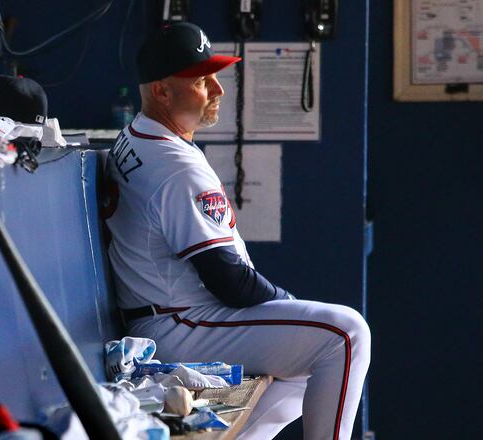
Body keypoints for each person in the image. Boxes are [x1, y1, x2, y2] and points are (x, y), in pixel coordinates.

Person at [103, 22, 370, 440]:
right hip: (180, 325)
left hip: (162, 315)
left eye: (214, 76)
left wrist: (289, 315)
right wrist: (287, 304)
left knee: (308, 362)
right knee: (345, 334)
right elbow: (230, 281)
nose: (217, 89)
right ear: (161, 91)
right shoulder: (175, 166)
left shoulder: (136, 136)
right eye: (201, 80)